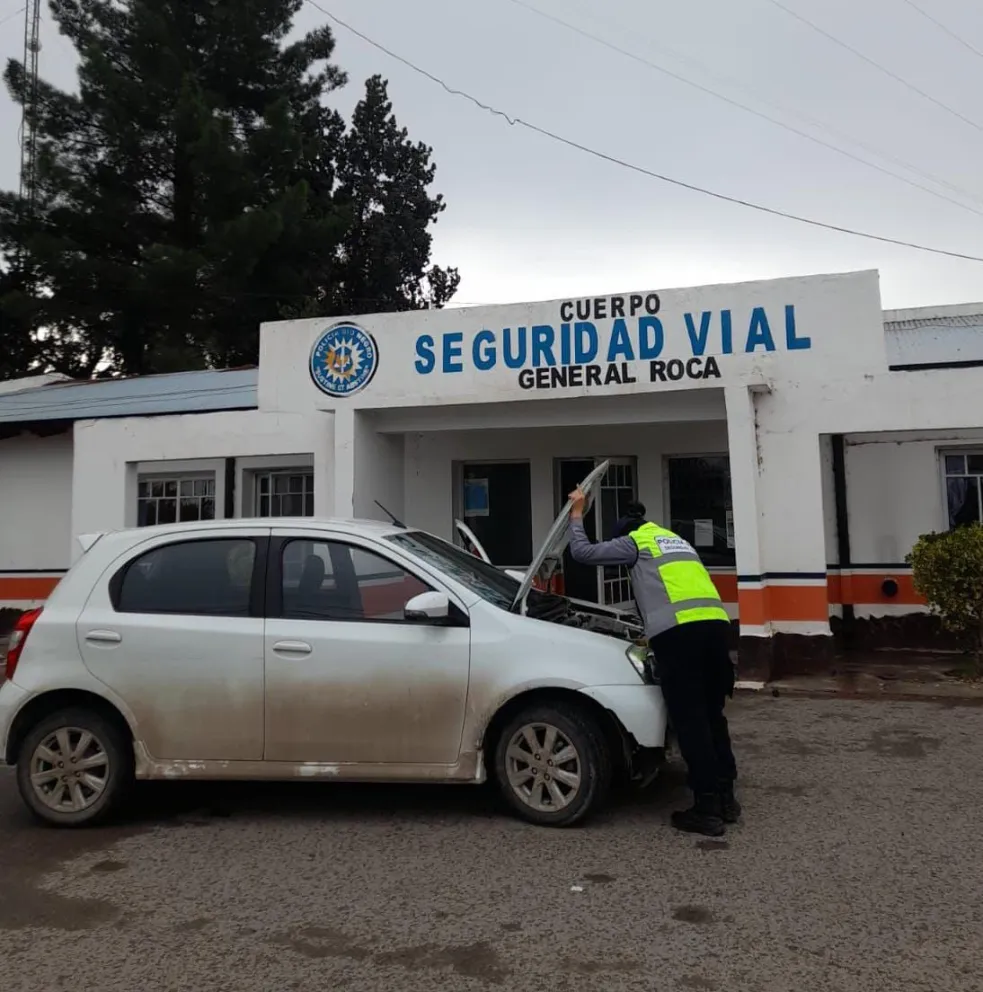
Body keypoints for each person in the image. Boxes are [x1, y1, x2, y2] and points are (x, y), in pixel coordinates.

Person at [567, 490, 739, 837]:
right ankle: (726, 799)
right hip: (718, 630)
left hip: (681, 637)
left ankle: (706, 809)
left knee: (690, 721)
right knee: (713, 717)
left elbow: (582, 553)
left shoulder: (634, 543)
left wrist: (576, 513)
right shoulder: (675, 540)